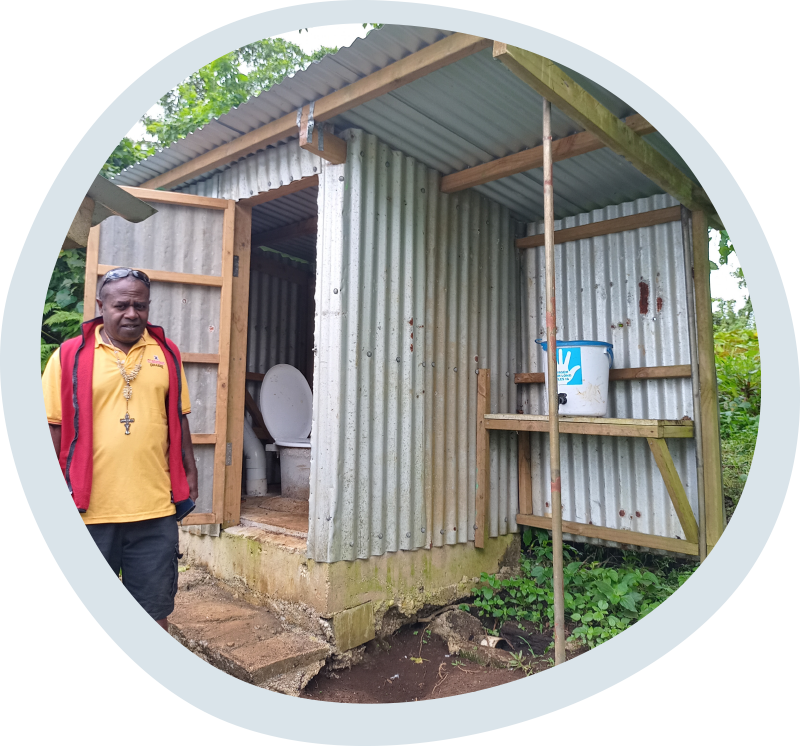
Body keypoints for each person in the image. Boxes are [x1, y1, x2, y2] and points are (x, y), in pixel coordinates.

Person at [42, 267, 199, 631]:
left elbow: (180, 418)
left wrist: (190, 473)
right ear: (101, 305)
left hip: (154, 510)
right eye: (121, 305)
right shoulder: (69, 356)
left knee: (154, 614)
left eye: (140, 306)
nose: (132, 313)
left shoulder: (166, 353)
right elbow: (51, 427)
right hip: (87, 510)